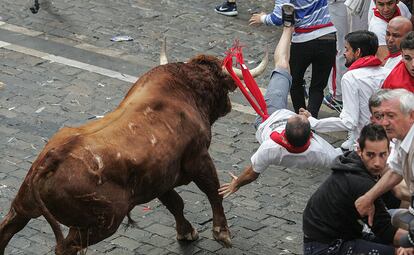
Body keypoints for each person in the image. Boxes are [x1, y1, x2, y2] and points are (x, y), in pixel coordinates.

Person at [218, 6, 342, 199]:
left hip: (269, 115)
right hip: (325, 41)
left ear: (284, 129)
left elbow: (251, 172)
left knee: (283, 65)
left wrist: (236, 183)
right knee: (297, 74)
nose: (300, 113)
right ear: (312, 136)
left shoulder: (269, 149)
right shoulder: (321, 152)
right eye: (302, 116)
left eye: (296, 116)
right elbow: (340, 162)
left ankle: (287, 27)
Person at [303, 124, 413, 255]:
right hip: (327, 246)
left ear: (389, 151)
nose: (377, 162)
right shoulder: (360, 182)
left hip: (339, 236)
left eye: (382, 155)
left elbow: (395, 198)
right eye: (370, 155)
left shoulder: (353, 163)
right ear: (359, 151)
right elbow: (385, 229)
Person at [300, 31, 389, 151]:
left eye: (347, 49)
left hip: (365, 144)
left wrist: (313, 122)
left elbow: (349, 121)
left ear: (357, 52)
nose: (344, 54)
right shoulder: (387, 72)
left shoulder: (350, 78)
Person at [249, 0, 337, 118]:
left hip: (303, 41)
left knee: (294, 82)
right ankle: (311, 119)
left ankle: (301, 118)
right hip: (328, 37)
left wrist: (262, 18)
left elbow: (278, 18)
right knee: (318, 86)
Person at [355, 89, 414, 228]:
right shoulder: (402, 136)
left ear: (411, 116)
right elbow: (396, 171)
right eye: (382, 116)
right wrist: (368, 198)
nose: (385, 123)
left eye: (391, 116)